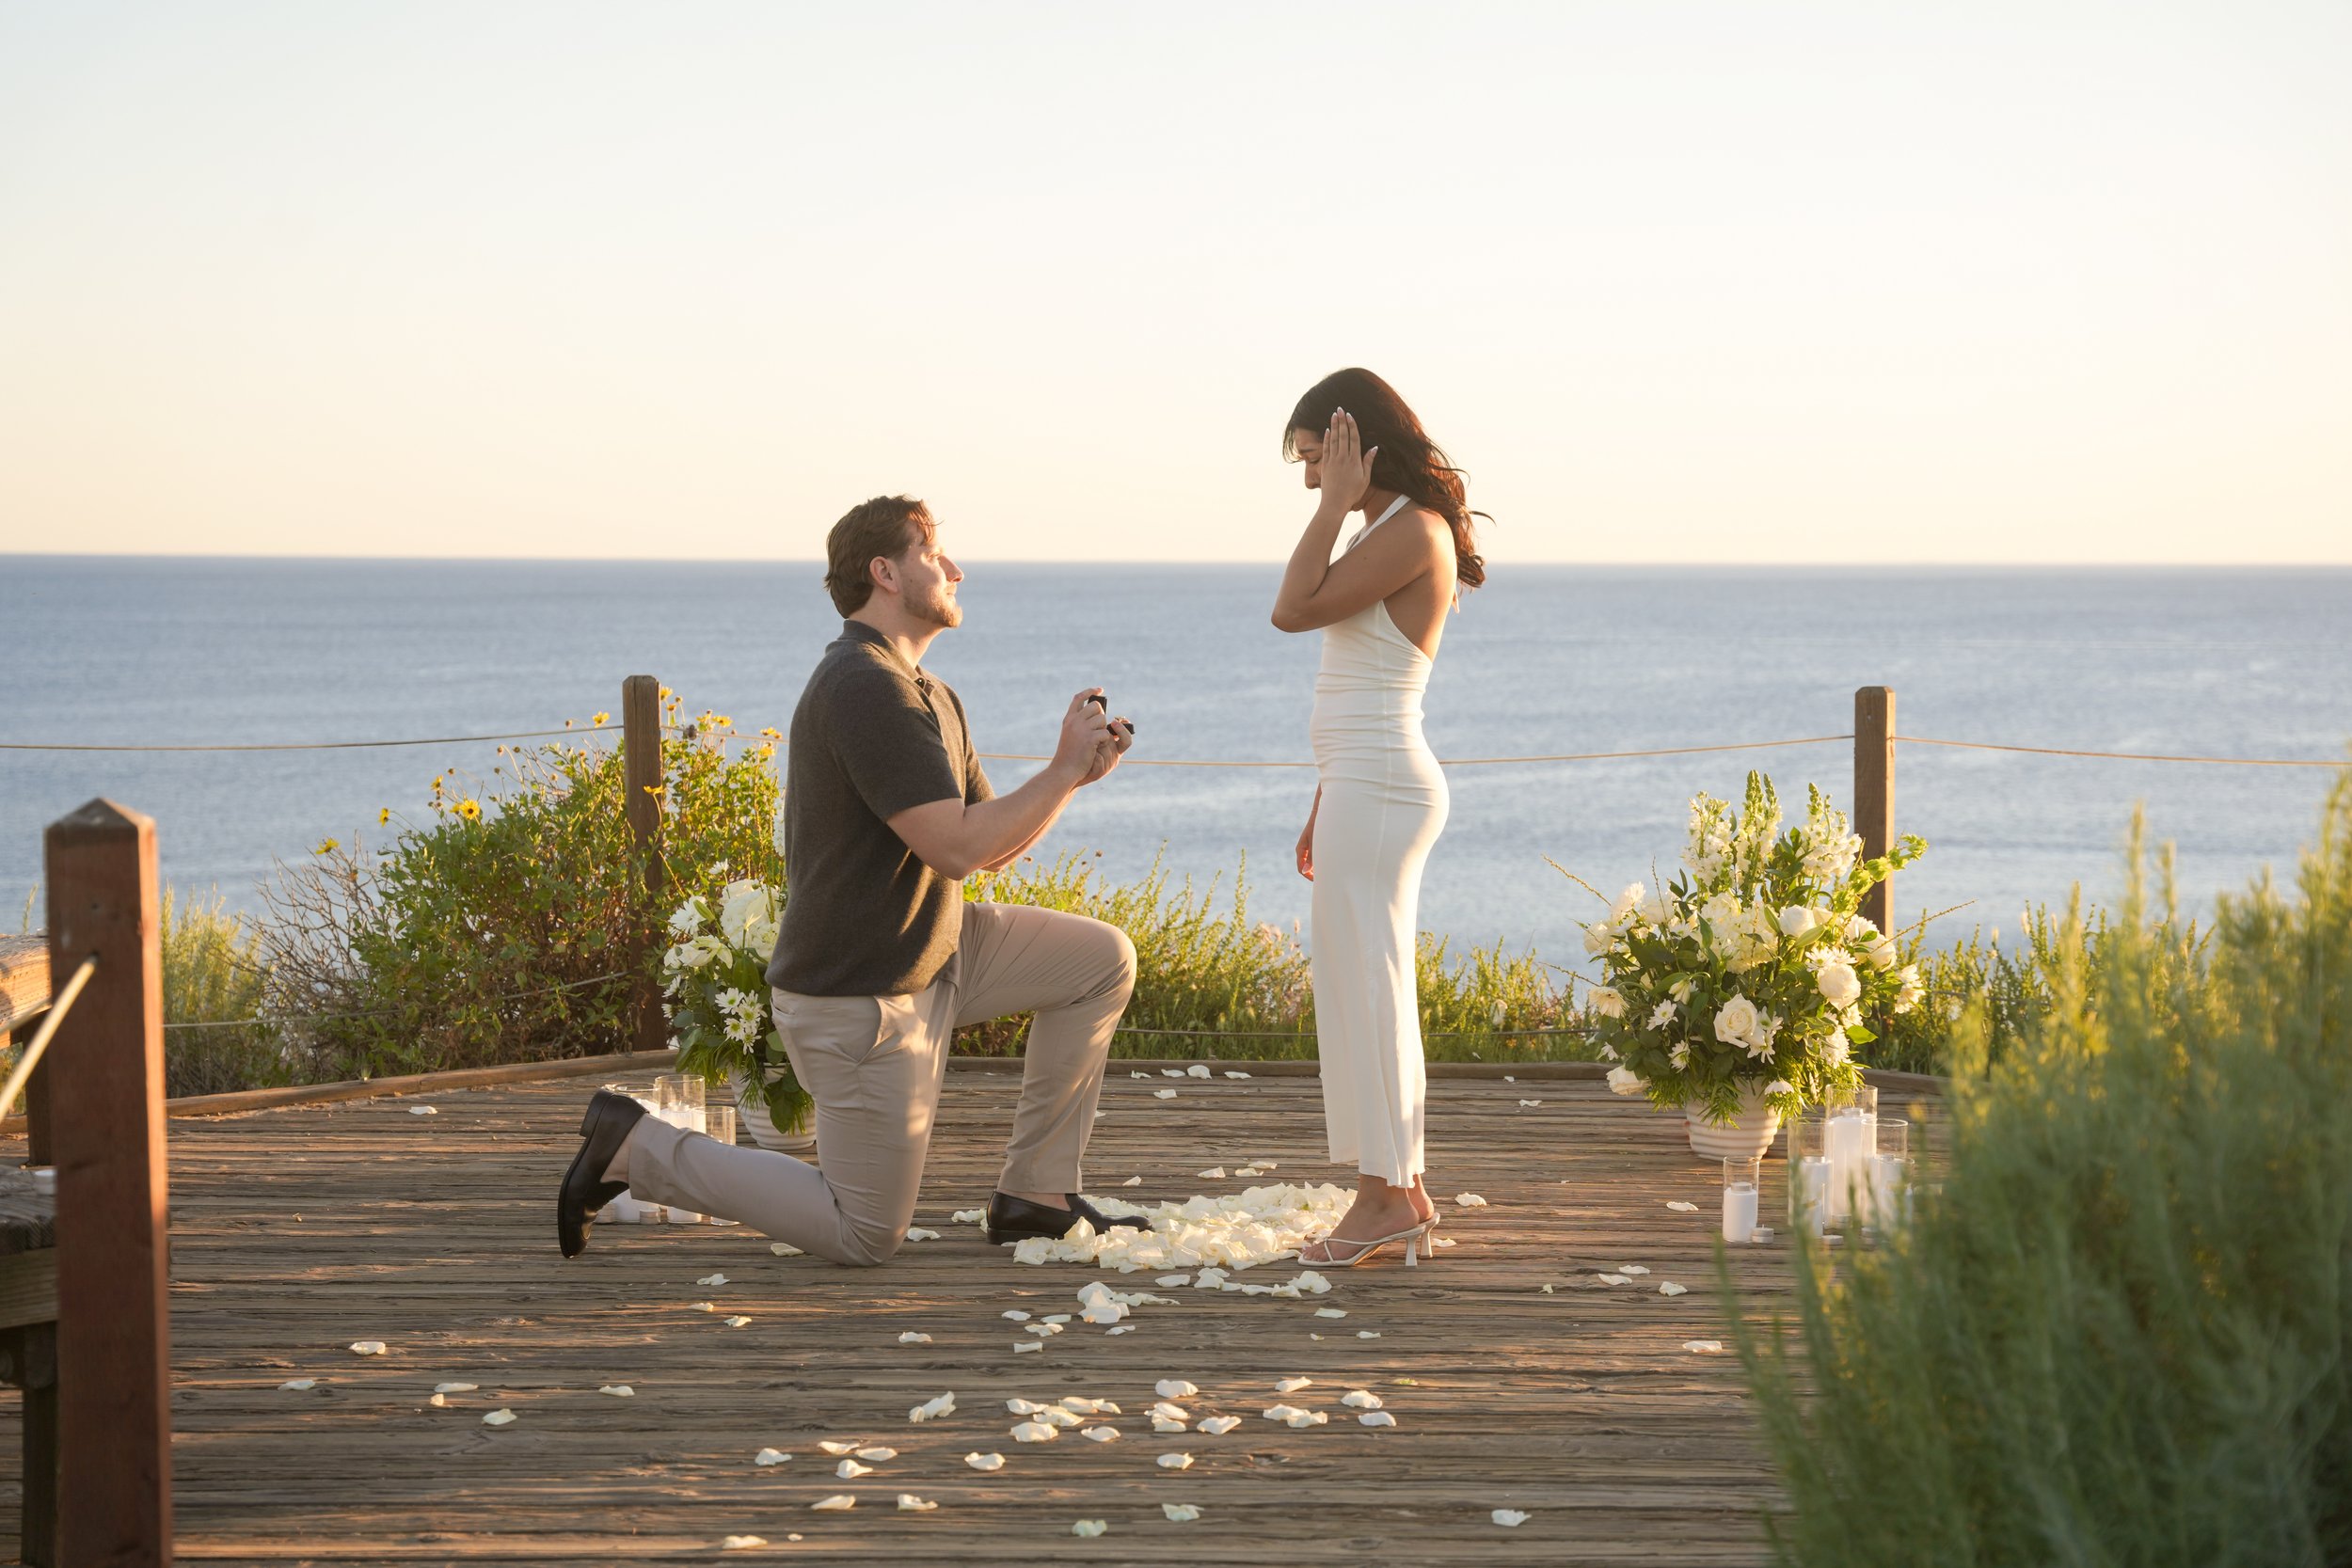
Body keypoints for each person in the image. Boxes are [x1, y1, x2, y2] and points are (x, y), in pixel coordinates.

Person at [556, 495, 1140, 1264]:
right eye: (936, 556)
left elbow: (990, 844)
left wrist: (1073, 780)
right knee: (864, 1232)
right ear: (886, 572)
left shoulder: (931, 691)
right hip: (860, 996)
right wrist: (1061, 766)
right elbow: (955, 849)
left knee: (1099, 961)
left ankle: (1035, 1192)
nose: (956, 569)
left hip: (937, 952)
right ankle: (635, 1145)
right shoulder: (866, 687)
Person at [1271, 369, 1485, 1267]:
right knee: (1359, 987)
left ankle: (1384, 1198)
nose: (1313, 481)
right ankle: (1401, 1188)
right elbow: (1358, 682)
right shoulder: (1388, 531)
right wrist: (1326, 794)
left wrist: (1335, 509)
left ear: (1361, 449)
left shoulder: (1413, 532)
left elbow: (1292, 610)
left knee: (1373, 988)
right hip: (1362, 783)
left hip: (1387, 783)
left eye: (1320, 460)